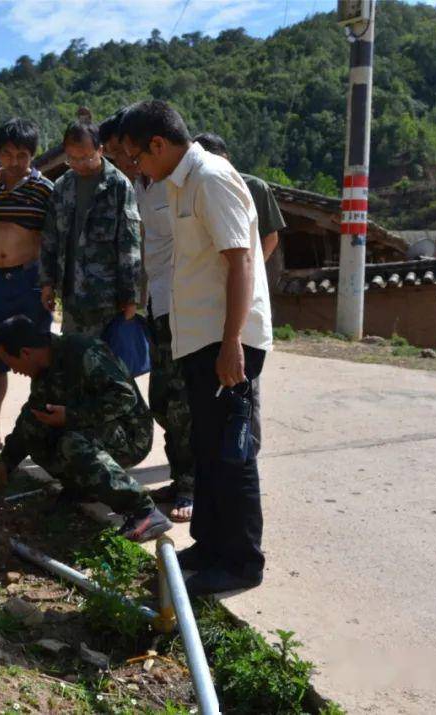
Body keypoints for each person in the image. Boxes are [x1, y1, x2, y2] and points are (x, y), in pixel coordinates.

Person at [121, 100, 273, 595]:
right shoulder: (180, 184)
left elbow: (241, 261)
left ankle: (241, 561)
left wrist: (232, 343)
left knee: (232, 453)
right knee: (207, 450)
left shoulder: (211, 178)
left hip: (227, 340)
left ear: (158, 145)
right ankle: (210, 546)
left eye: (138, 157)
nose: (137, 168)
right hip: (200, 339)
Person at [0, 315, 172, 543]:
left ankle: (143, 510)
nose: (15, 371)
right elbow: (31, 417)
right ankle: (82, 488)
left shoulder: (82, 352)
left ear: (26, 353)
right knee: (36, 429)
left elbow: (124, 397)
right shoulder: (43, 371)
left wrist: (71, 415)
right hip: (95, 428)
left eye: (12, 365)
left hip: (130, 434)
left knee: (72, 442)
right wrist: (6, 462)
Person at [103, 109, 196, 523]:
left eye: (123, 151)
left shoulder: (179, 180)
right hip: (156, 303)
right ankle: (180, 477)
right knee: (162, 397)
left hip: (184, 304)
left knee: (182, 400)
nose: (121, 160)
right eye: (114, 154)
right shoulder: (138, 185)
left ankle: (192, 484)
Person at [0, 118, 55, 451]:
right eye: (7, 154)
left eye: (22, 155)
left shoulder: (43, 189)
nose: (15, 162)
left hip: (31, 281)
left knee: (39, 358)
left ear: (32, 155)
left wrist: (50, 284)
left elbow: (52, 239)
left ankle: (42, 435)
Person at [39, 120, 142, 339]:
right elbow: (50, 238)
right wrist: (47, 283)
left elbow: (129, 244)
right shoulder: (62, 187)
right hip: (72, 297)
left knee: (107, 368)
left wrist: (131, 296)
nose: (79, 164)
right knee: (74, 362)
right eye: (72, 158)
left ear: (100, 150)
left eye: (86, 157)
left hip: (107, 299)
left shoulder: (118, 186)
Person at [191, 133, 286, 260]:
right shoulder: (188, 188)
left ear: (226, 158)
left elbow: (271, 236)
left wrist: (256, 267)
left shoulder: (256, 187)